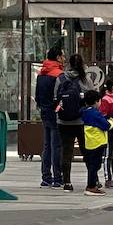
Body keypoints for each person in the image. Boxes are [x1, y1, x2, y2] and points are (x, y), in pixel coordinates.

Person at [54, 54, 86, 192]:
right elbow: (93, 99)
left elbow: (55, 98)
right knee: (87, 151)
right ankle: (93, 180)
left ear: (69, 64)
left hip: (63, 121)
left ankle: (66, 182)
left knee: (66, 151)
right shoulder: (85, 79)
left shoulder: (60, 78)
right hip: (81, 121)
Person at [34, 47, 64, 189]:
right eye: (62, 56)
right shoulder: (59, 75)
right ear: (58, 57)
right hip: (55, 113)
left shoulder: (41, 74)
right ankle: (58, 177)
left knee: (47, 145)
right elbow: (60, 97)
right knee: (56, 145)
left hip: (44, 111)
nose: (64, 58)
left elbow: (37, 95)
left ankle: (46, 177)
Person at [79, 89, 112, 196]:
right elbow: (106, 126)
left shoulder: (84, 112)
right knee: (95, 166)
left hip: (89, 142)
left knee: (92, 165)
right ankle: (91, 186)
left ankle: (92, 185)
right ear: (97, 101)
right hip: (98, 142)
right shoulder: (95, 114)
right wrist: (112, 122)